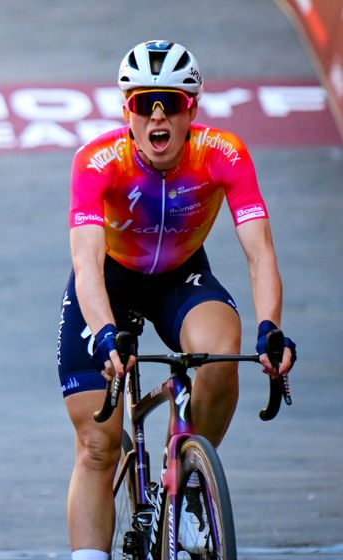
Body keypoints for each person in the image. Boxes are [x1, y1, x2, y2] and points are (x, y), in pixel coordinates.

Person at [57, 40, 296, 560]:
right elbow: (85, 264)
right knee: (97, 444)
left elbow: (260, 253)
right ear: (128, 111)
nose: (157, 116)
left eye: (171, 102)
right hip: (109, 281)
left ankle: (189, 487)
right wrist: (102, 332)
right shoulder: (96, 162)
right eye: (145, 103)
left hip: (180, 277)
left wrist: (271, 328)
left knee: (220, 350)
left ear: (193, 108)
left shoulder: (223, 154)